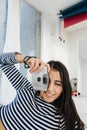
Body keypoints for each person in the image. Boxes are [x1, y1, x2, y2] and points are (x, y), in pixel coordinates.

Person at [0, 52, 85, 130]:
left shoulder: (61, 119)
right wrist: (26, 59)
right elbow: (2, 60)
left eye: (58, 84)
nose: (50, 89)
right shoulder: (27, 89)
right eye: (46, 80)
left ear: (64, 88)